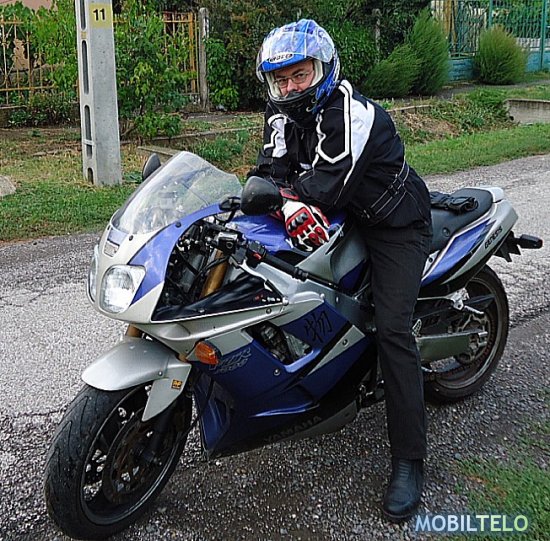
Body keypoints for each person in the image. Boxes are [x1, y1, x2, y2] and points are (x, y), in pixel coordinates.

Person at [248, 19, 433, 522]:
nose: (290, 87)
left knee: (392, 330)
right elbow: (269, 172)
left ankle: (410, 461)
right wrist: (270, 198)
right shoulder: (280, 113)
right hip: (344, 220)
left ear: (324, 69)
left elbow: (325, 188)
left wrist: (283, 199)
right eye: (281, 79)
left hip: (394, 225)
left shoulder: (352, 113)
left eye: (300, 75)